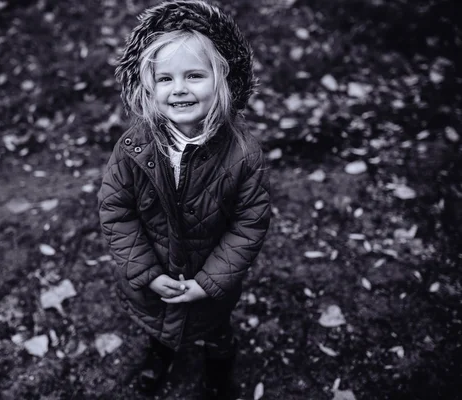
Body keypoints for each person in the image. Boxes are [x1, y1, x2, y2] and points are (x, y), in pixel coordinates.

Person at [98, 1, 271, 398]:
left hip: (210, 275)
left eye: (194, 75)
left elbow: (250, 223)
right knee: (161, 321)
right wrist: (145, 272)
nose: (179, 89)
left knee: (215, 327)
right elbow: (116, 211)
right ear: (149, 86)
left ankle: (218, 368)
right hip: (155, 269)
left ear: (221, 80)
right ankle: (161, 352)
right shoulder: (132, 147)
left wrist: (210, 282)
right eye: (166, 79)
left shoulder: (243, 153)